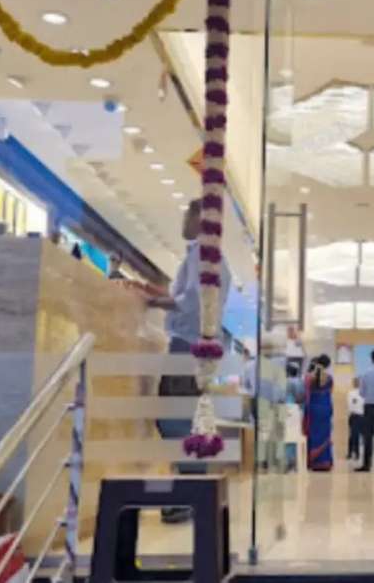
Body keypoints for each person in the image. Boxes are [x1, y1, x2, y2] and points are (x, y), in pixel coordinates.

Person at [146, 198, 231, 522]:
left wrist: (157, 302)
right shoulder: (212, 257)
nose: (183, 221)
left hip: (188, 346)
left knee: (175, 418)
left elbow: (193, 300)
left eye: (187, 215)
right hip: (199, 348)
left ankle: (188, 497)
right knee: (184, 418)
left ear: (200, 218)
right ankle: (192, 493)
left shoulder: (202, 254)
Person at [304, 354, 334, 471]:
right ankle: (325, 462)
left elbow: (306, 394)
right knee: (325, 434)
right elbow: (329, 393)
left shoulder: (309, 378)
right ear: (328, 365)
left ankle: (313, 462)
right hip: (325, 407)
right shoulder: (329, 378)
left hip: (313, 408)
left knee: (313, 434)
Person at [347, 378, 365, 462]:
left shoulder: (351, 393)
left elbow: (350, 405)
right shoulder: (353, 393)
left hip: (356, 415)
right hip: (358, 416)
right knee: (354, 435)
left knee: (353, 435)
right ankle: (354, 453)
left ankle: (353, 453)